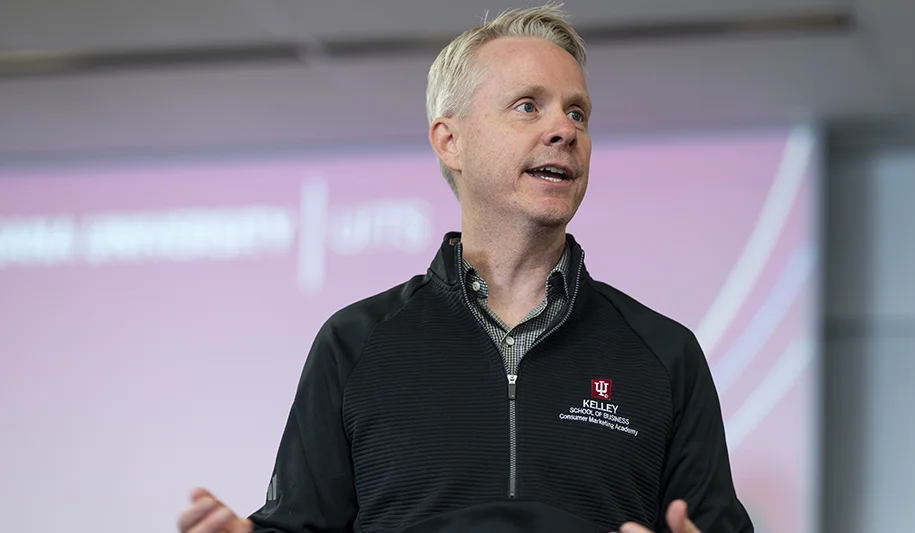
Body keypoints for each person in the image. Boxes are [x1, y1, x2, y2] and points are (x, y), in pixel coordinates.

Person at [176, 4, 752, 532]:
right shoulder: (354, 345)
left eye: (577, 112)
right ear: (450, 141)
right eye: (528, 106)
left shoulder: (665, 354)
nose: (565, 130)